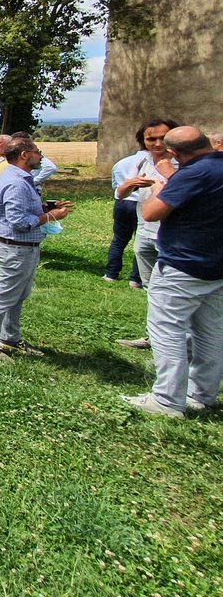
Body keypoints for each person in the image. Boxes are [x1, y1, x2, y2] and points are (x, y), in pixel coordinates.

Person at [121, 127, 223, 418]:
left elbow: (151, 212)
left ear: (175, 153)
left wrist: (161, 186)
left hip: (183, 263)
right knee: (210, 331)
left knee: (167, 329)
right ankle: (202, 394)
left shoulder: (194, 174)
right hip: (216, 264)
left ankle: (167, 400)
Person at [0, 139, 72, 361]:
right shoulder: (16, 183)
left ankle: (9, 337)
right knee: (4, 297)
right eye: (38, 152)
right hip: (15, 249)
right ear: (23, 155)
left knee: (18, 295)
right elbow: (18, 221)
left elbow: (20, 209)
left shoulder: (17, 178)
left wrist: (45, 207)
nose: (41, 156)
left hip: (21, 249)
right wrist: (50, 216)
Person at [114, 119, 181, 348]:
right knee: (151, 288)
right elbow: (121, 194)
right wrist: (130, 183)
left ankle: (178, 341)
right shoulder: (142, 160)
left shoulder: (184, 162)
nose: (158, 143)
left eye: (163, 137)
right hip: (145, 231)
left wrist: (170, 174)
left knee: (174, 291)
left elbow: (191, 195)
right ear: (143, 141)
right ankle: (154, 337)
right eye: (151, 139)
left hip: (172, 235)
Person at [104, 137, 147, 286]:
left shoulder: (121, 162)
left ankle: (111, 274)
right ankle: (136, 278)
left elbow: (115, 186)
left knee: (119, 239)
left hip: (122, 202)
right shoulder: (153, 163)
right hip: (142, 203)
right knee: (141, 240)